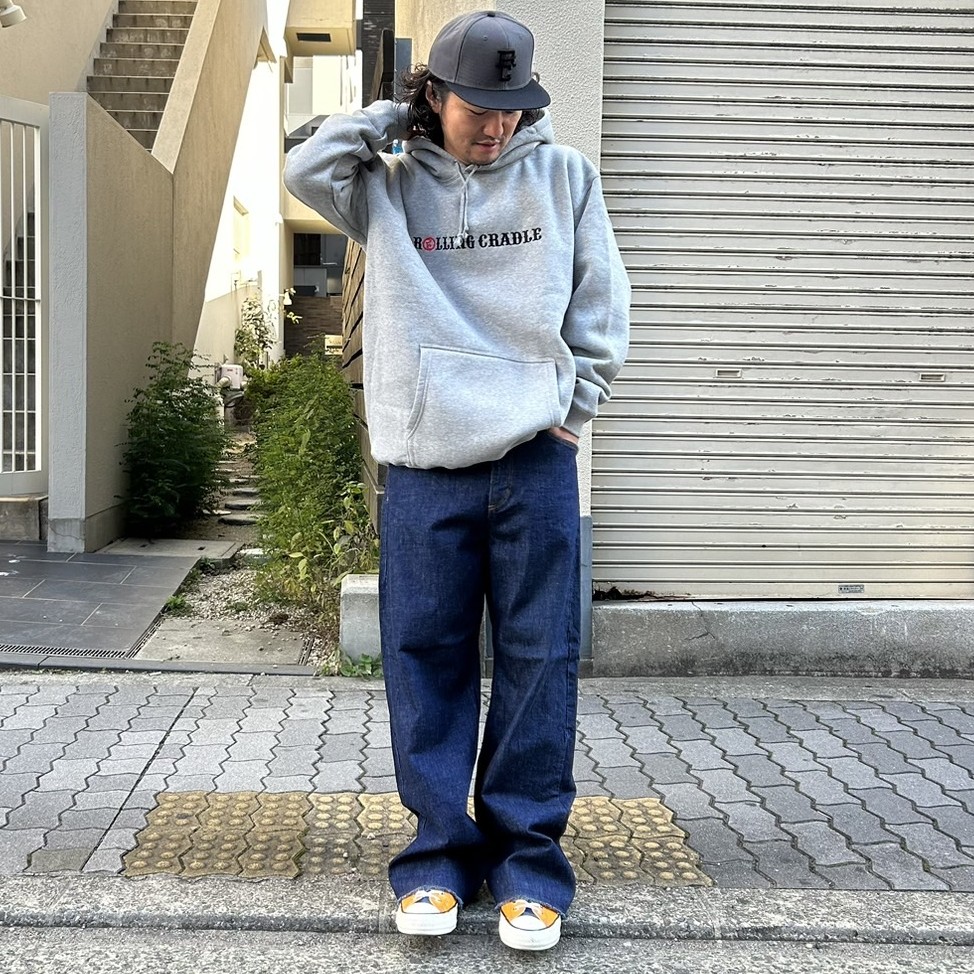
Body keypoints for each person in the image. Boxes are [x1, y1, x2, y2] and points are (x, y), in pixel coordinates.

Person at [284, 10, 630, 952]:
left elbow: (601, 302)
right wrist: (392, 122)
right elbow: (307, 167)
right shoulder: (388, 187)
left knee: (539, 659)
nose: (497, 125)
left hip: (533, 460)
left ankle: (528, 866)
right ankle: (438, 855)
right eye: (477, 106)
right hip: (425, 463)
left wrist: (573, 412)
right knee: (425, 658)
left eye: (512, 108)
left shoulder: (565, 176)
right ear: (433, 97)